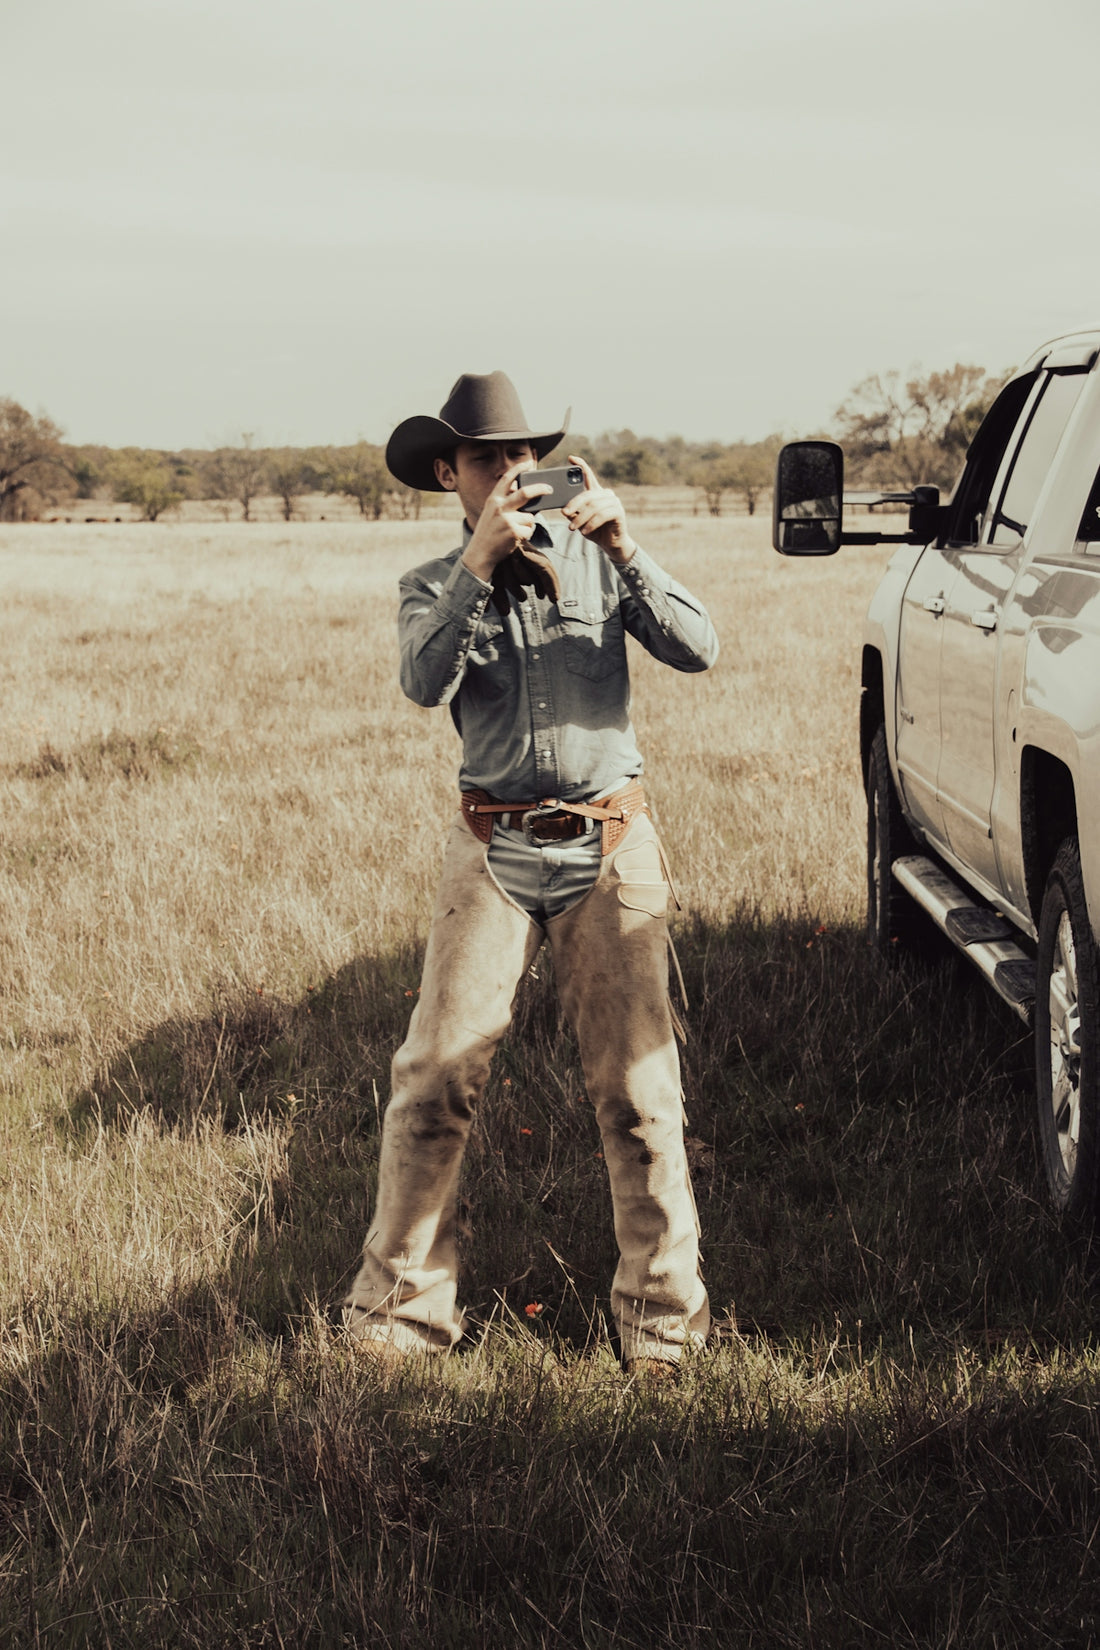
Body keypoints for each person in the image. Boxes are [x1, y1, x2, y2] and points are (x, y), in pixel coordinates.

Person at [343, 370, 719, 1375]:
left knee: (638, 1092)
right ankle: (398, 1320)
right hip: (491, 846)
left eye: (522, 455)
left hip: (607, 839)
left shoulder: (601, 560)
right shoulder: (431, 584)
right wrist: (475, 567)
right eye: (484, 459)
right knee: (433, 1081)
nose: (509, 474)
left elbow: (699, 648)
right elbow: (422, 682)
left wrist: (625, 547)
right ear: (446, 473)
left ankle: (660, 1328)